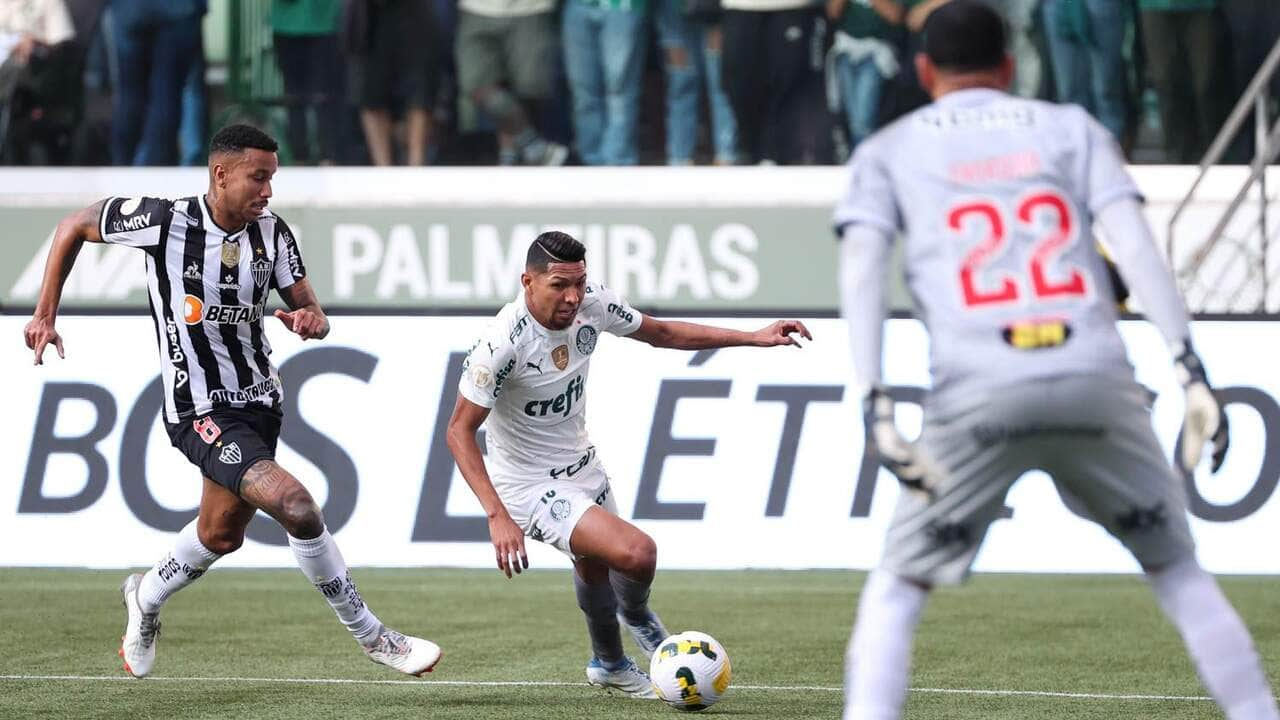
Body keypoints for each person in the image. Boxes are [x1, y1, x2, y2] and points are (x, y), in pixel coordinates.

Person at [832, 3, 1279, 719]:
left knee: (897, 589)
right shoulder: (1071, 127)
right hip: (1095, 377)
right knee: (1179, 574)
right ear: (1009, 68)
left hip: (977, 389)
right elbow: (1134, 244)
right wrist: (1188, 366)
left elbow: (860, 271)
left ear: (922, 70)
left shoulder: (889, 148)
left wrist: (872, 398)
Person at [22, 124, 441, 680]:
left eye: (273, 178)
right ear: (221, 174)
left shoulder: (273, 234)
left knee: (221, 533)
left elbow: (310, 309)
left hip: (261, 403)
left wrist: (310, 321)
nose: (268, 191)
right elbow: (73, 224)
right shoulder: (164, 221)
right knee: (297, 505)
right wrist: (46, 314)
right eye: (259, 177)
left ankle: (144, 597)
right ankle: (374, 637)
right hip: (199, 409)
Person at [446, 232, 810, 697]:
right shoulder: (500, 345)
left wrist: (753, 338)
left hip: (581, 463)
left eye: (579, 282)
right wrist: (497, 515)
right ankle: (636, 617)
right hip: (527, 485)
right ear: (528, 282)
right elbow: (458, 430)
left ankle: (609, 664)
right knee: (638, 553)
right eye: (559, 285)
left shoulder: (592, 304)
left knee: (595, 566)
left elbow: (660, 333)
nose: (573, 296)